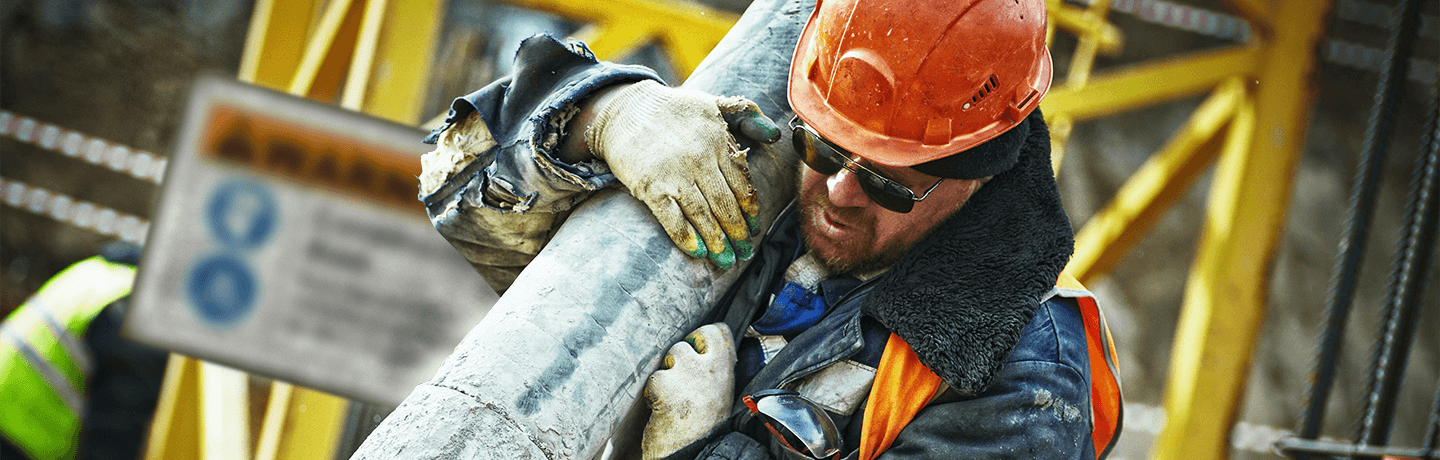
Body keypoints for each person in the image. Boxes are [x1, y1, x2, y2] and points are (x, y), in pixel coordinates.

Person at [416, 0, 1122, 458]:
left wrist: (696, 450)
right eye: (825, 149)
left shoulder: (1027, 379)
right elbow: (464, 207)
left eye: (888, 183)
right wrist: (593, 119)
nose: (840, 194)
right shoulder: (765, 163)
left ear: (982, 173)